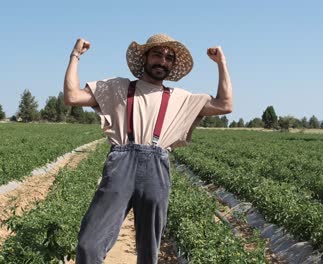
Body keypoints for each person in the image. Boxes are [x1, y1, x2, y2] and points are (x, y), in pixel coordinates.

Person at [63, 33, 232, 264]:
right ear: (144, 57)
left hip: (156, 170)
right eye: (157, 54)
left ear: (172, 66)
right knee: (88, 244)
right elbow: (72, 96)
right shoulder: (117, 87)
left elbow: (225, 104)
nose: (162, 61)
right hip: (121, 165)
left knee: (149, 251)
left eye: (169, 58)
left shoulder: (181, 98)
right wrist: (75, 56)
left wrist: (222, 63)